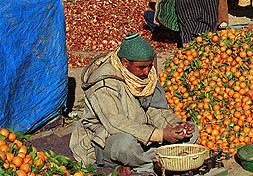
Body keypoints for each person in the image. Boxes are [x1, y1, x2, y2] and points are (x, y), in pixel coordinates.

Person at [70, 33, 197, 175]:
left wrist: (175, 125)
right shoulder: (104, 84)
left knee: (193, 132)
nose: (146, 71)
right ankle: (152, 163)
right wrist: (159, 135)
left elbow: (154, 110)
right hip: (108, 136)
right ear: (125, 62)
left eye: (149, 66)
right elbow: (115, 123)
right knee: (125, 145)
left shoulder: (146, 77)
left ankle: (145, 161)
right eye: (141, 67)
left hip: (144, 133)